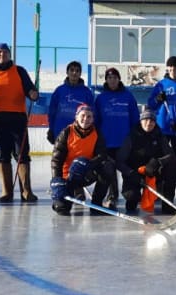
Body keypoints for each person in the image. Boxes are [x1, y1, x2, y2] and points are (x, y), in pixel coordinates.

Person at [0, 43, 39, 203]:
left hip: (18, 119)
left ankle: (26, 192)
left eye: (5, 52)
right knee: (2, 156)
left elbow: (30, 89)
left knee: (22, 155)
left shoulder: (19, 71)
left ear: (10, 55)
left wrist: (33, 94)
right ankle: (7, 191)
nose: (2, 55)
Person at [50, 104, 115, 215]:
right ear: (76, 117)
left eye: (89, 116)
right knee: (61, 208)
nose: (86, 119)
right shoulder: (66, 133)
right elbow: (56, 160)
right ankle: (68, 195)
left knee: (108, 166)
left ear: (93, 118)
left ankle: (97, 203)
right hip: (68, 176)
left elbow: (102, 155)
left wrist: (89, 164)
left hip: (86, 172)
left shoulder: (97, 133)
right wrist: (57, 180)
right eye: (83, 115)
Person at [147, 56, 176, 203]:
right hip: (162, 129)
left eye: (175, 66)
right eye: (170, 66)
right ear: (167, 68)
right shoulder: (161, 85)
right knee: (161, 159)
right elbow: (151, 104)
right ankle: (159, 190)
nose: (173, 69)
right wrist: (157, 99)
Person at [47, 60, 94, 200]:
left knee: (76, 161)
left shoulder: (86, 92)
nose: (74, 73)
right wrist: (51, 128)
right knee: (60, 159)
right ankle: (58, 184)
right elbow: (52, 111)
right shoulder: (59, 91)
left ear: (80, 73)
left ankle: (76, 187)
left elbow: (92, 111)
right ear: (67, 72)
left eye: (77, 70)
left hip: (80, 133)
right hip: (60, 131)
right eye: (72, 70)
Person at [116, 109, 176, 215]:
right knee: (131, 198)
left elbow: (171, 155)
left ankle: (167, 205)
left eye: (152, 121)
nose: (149, 123)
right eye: (146, 120)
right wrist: (131, 173)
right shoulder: (132, 137)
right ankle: (135, 197)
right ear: (141, 121)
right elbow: (119, 161)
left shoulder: (159, 135)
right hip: (135, 172)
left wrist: (158, 162)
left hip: (152, 172)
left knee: (171, 167)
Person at [94, 67, 140, 209]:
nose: (112, 80)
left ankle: (131, 196)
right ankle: (112, 197)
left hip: (124, 141)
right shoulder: (101, 98)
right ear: (106, 80)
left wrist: (135, 136)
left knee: (127, 170)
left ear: (119, 79)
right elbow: (96, 120)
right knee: (110, 171)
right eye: (109, 78)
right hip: (107, 141)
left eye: (115, 78)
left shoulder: (128, 96)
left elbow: (135, 118)